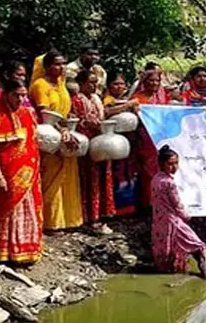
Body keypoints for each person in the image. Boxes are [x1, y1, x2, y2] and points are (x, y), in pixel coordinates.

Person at [0, 80, 43, 264]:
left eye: (23, 95)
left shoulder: (30, 113)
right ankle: (10, 251)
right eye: (16, 95)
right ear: (6, 94)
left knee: (31, 208)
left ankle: (30, 249)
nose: (20, 99)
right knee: (9, 209)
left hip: (30, 169)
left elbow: (33, 142)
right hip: (8, 171)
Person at [29, 51, 85, 231]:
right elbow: (43, 113)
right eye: (56, 64)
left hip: (65, 132)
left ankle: (67, 219)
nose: (61, 68)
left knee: (67, 177)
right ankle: (49, 222)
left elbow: (64, 111)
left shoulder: (61, 84)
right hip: (48, 136)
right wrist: (62, 131)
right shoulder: (40, 85)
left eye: (63, 64)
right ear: (46, 66)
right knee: (50, 178)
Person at [151, 145, 206, 279]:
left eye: (176, 163)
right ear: (162, 164)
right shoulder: (169, 183)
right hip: (172, 222)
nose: (174, 167)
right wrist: (186, 216)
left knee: (169, 252)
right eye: (170, 164)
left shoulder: (156, 179)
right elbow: (177, 204)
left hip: (159, 222)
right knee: (201, 247)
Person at [71, 70, 116, 234]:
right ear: (81, 83)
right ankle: (90, 217)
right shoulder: (77, 100)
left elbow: (102, 115)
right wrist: (100, 126)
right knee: (90, 180)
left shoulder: (96, 98)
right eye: (90, 82)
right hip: (88, 144)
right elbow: (83, 121)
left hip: (102, 142)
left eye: (95, 83)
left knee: (103, 178)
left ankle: (102, 213)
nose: (93, 86)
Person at [130, 67, 170, 210]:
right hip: (145, 138)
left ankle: (163, 200)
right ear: (144, 82)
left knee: (162, 167)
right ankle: (148, 203)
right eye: (151, 80)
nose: (154, 83)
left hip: (162, 136)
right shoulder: (137, 98)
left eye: (157, 81)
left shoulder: (162, 96)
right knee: (148, 170)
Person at [103, 74, 140, 216]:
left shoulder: (126, 100)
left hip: (130, 142)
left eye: (122, 84)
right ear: (109, 86)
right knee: (115, 173)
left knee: (128, 173)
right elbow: (105, 113)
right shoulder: (108, 100)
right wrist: (127, 106)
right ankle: (115, 208)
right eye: (116, 84)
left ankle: (129, 207)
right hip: (113, 144)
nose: (119, 87)